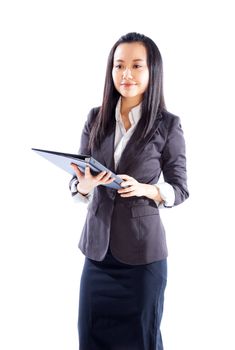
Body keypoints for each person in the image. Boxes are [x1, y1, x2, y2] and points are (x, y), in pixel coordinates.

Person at [70, 32, 189, 350]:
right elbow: (78, 179)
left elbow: (180, 189)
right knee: (91, 339)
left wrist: (148, 190)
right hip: (97, 253)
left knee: (141, 341)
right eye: (119, 65)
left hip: (142, 258)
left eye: (137, 65)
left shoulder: (167, 125)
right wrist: (83, 186)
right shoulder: (96, 118)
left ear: (153, 71)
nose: (126, 74)